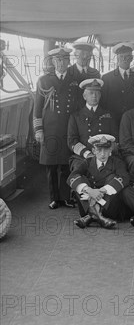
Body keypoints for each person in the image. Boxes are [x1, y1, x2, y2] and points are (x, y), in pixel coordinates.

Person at [33, 47, 80, 209]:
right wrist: (39, 130)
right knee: (51, 165)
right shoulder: (44, 80)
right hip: (50, 128)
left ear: (69, 61)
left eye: (64, 59)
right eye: (58, 60)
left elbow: (80, 106)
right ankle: (54, 198)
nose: (61, 63)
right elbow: (37, 108)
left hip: (69, 127)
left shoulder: (76, 79)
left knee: (67, 164)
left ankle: (65, 197)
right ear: (53, 62)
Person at [67, 134, 129, 229]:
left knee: (113, 178)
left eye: (106, 150)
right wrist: (89, 190)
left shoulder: (117, 162)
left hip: (109, 208)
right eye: (99, 150)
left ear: (110, 150)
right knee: (79, 180)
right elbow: (71, 177)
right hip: (87, 205)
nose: (103, 154)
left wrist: (101, 191)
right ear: (93, 151)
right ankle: (98, 216)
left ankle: (92, 215)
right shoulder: (87, 162)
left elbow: (125, 178)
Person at [67, 79, 119, 168]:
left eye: (97, 93)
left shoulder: (109, 115)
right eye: (91, 93)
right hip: (83, 156)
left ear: (100, 95)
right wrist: (87, 153)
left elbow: (115, 139)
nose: (94, 96)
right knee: (79, 170)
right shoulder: (76, 116)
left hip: (106, 155)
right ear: (84, 96)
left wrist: (105, 153)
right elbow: (72, 141)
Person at [100, 42, 134, 126]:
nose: (124, 59)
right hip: (112, 120)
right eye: (121, 57)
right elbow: (103, 102)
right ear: (117, 59)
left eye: (127, 57)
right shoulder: (107, 78)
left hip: (132, 121)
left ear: (132, 58)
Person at [67, 42, 101, 109]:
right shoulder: (67, 72)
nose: (85, 57)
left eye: (88, 54)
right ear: (75, 55)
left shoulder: (95, 73)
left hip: (89, 112)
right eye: (82, 54)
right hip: (71, 113)